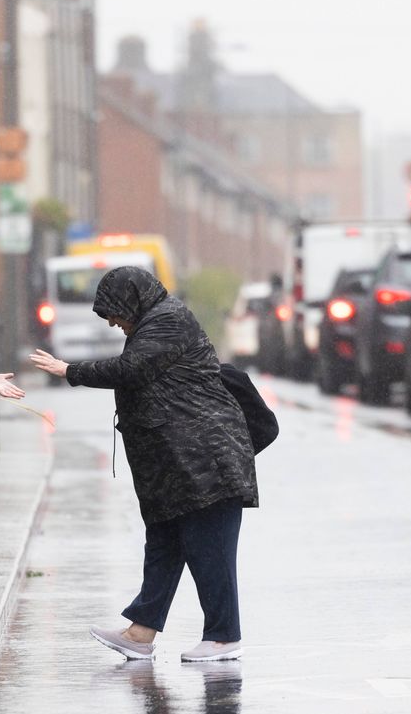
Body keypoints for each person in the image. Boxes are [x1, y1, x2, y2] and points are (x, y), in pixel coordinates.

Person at [30, 266, 257, 663]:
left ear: (131, 301)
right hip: (178, 466)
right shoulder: (154, 321)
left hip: (206, 460)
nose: (114, 324)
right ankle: (140, 632)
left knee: (210, 549)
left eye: (114, 313)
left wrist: (70, 370)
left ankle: (223, 636)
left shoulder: (167, 321)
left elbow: (130, 370)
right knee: (165, 546)